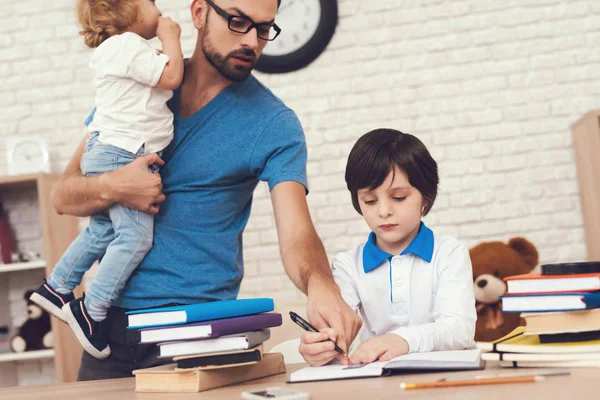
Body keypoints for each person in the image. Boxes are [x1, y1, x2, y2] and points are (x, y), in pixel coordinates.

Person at [50, 0, 362, 380]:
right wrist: (114, 186)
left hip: (195, 338)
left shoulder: (275, 124)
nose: (252, 40)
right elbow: (63, 195)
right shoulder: (138, 74)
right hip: (104, 330)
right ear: (198, 14)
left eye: (264, 28)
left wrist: (321, 284)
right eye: (237, 21)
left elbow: (296, 231)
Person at [29, 0, 184, 360]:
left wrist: (160, 48)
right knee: (135, 236)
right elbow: (173, 76)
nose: (159, 9)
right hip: (122, 152)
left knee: (103, 230)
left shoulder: (120, 50)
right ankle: (91, 310)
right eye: (152, 2)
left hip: (108, 149)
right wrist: (172, 37)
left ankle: (57, 286)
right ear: (124, 10)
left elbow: (155, 78)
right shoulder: (126, 45)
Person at [299, 129, 476, 366]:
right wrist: (321, 348)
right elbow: (338, 335)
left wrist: (401, 340)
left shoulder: (449, 253)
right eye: (370, 201)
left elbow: (459, 329)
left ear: (426, 196)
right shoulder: (348, 265)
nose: (383, 211)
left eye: (399, 197)